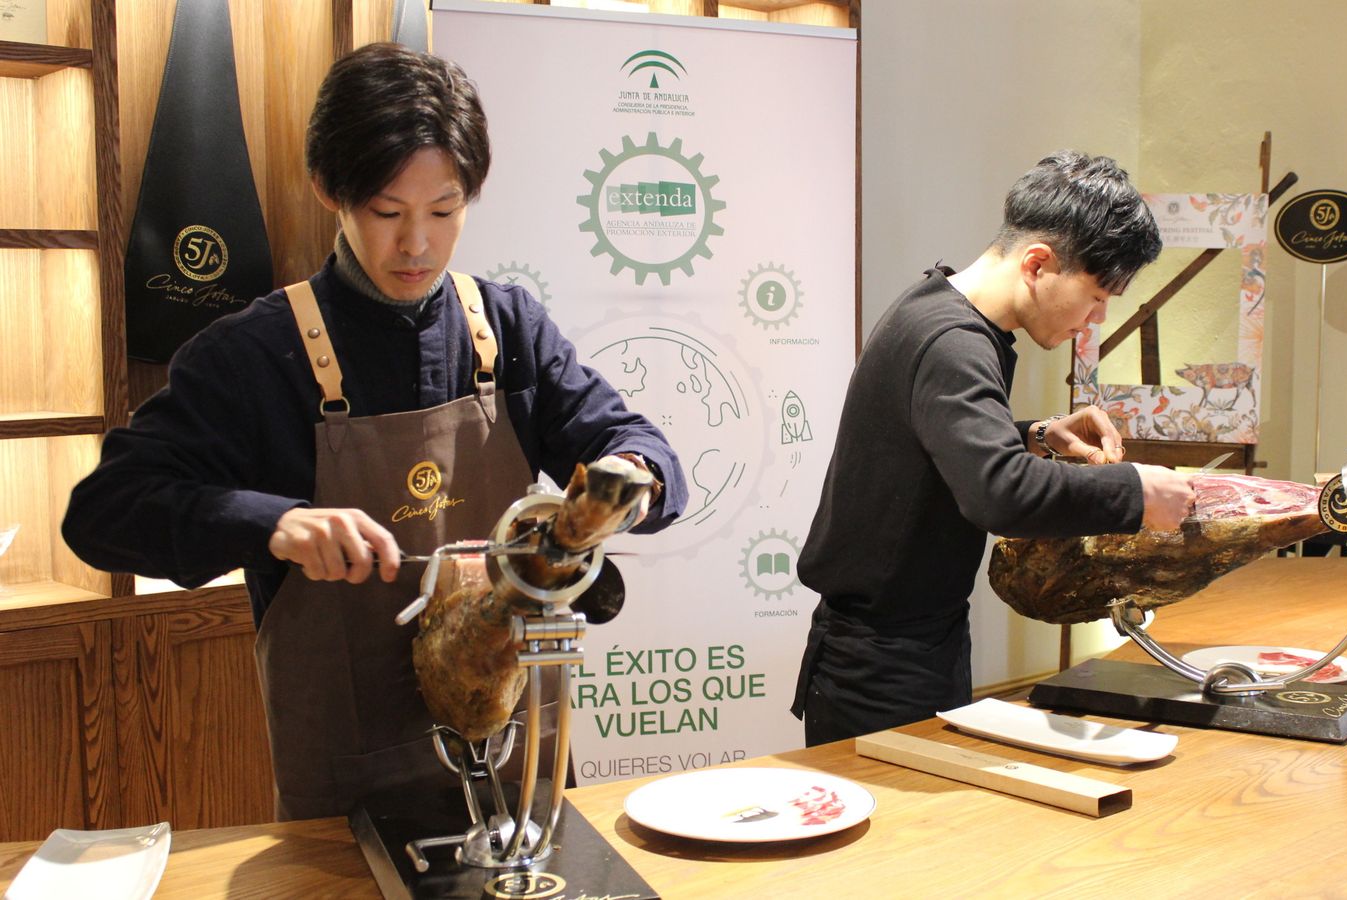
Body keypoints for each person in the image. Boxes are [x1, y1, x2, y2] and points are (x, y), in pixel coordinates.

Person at [62, 42, 685, 819]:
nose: (416, 244)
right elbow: (104, 511)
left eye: (444, 211)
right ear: (330, 189)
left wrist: (634, 475)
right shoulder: (254, 355)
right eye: (388, 213)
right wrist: (275, 524)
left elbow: (639, 447)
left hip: (519, 769)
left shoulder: (507, 330)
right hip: (348, 797)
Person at [790, 150, 1195, 746]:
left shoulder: (935, 309)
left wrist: (1036, 434)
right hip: (879, 663)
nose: (1097, 317)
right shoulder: (954, 342)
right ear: (1038, 263)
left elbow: (932, 442)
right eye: (1096, 295)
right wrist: (1136, 491)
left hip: (910, 640)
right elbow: (999, 492)